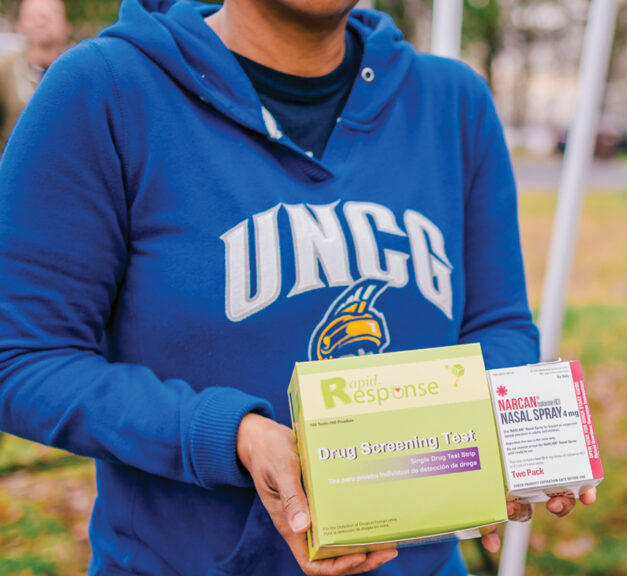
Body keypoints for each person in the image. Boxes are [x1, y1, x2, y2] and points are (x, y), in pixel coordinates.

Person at [0, 0, 596, 575]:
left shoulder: (452, 103)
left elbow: (499, 325)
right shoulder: (107, 90)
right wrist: (230, 436)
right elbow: (21, 358)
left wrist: (497, 446)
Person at [0, 0, 69, 152]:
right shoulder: (5, 70)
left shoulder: (78, 71)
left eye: (49, 15)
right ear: (20, 24)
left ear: (66, 26)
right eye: (34, 15)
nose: (41, 21)